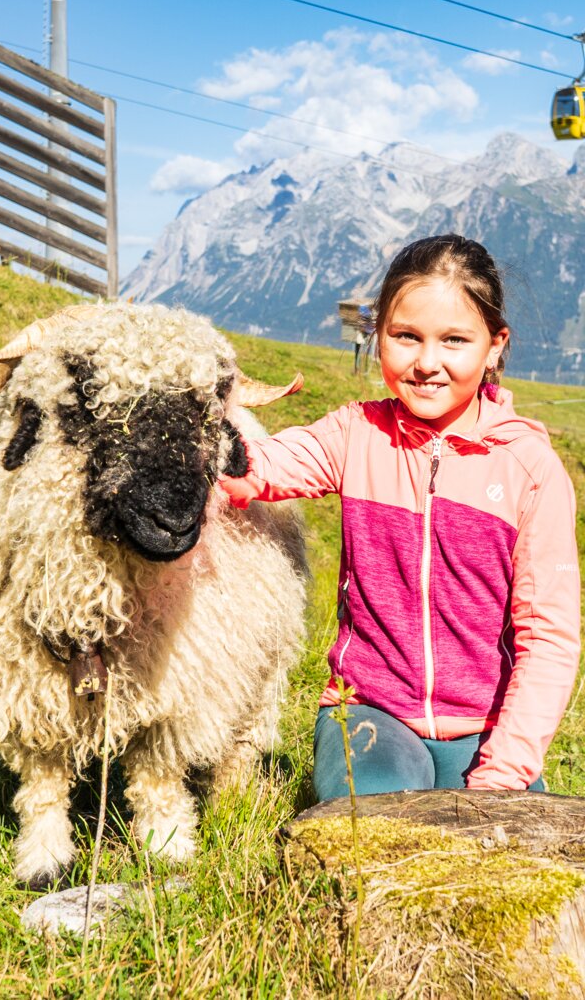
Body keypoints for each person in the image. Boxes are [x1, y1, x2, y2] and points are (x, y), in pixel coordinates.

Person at [219, 234, 581, 799]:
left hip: (485, 728)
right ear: (379, 334)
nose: (427, 363)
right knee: (374, 824)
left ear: (494, 346)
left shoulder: (530, 470)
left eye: (454, 340)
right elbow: (256, 468)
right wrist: (187, 437)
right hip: (371, 713)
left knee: (503, 862)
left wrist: (503, 773)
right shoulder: (355, 434)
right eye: (405, 337)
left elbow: (550, 638)